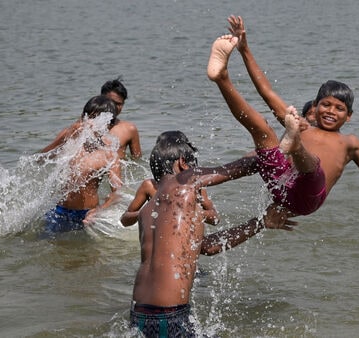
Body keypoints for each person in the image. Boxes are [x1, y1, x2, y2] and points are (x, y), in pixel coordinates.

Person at [207, 15, 359, 218]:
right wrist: (245, 49)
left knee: (310, 165)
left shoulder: (350, 143)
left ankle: (294, 146)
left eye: (339, 109)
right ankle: (222, 78)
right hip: (280, 183)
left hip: (307, 197)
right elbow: (267, 91)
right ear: (315, 107)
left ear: (349, 117)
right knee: (262, 130)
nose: (330, 111)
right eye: (326, 105)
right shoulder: (305, 124)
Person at [129, 131, 294, 337]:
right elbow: (242, 167)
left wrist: (260, 222)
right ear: (182, 164)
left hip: (140, 313)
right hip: (170, 314)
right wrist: (285, 144)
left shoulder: (148, 209)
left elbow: (208, 247)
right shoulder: (183, 183)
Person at [42, 95, 123, 233]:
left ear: (108, 124)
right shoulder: (70, 137)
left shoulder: (109, 153)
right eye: (89, 118)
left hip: (86, 215)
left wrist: (99, 211)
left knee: (85, 254)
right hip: (59, 210)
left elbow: (118, 193)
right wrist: (66, 140)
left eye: (98, 120)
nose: (91, 124)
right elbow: (42, 158)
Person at [120, 131, 218, 227]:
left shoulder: (196, 186)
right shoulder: (149, 186)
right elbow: (125, 220)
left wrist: (190, 211)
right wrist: (147, 212)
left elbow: (215, 219)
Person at [101, 77, 142, 160]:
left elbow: (137, 161)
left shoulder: (129, 129)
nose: (114, 107)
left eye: (119, 104)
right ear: (101, 99)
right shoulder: (86, 126)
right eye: (112, 102)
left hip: (118, 171)